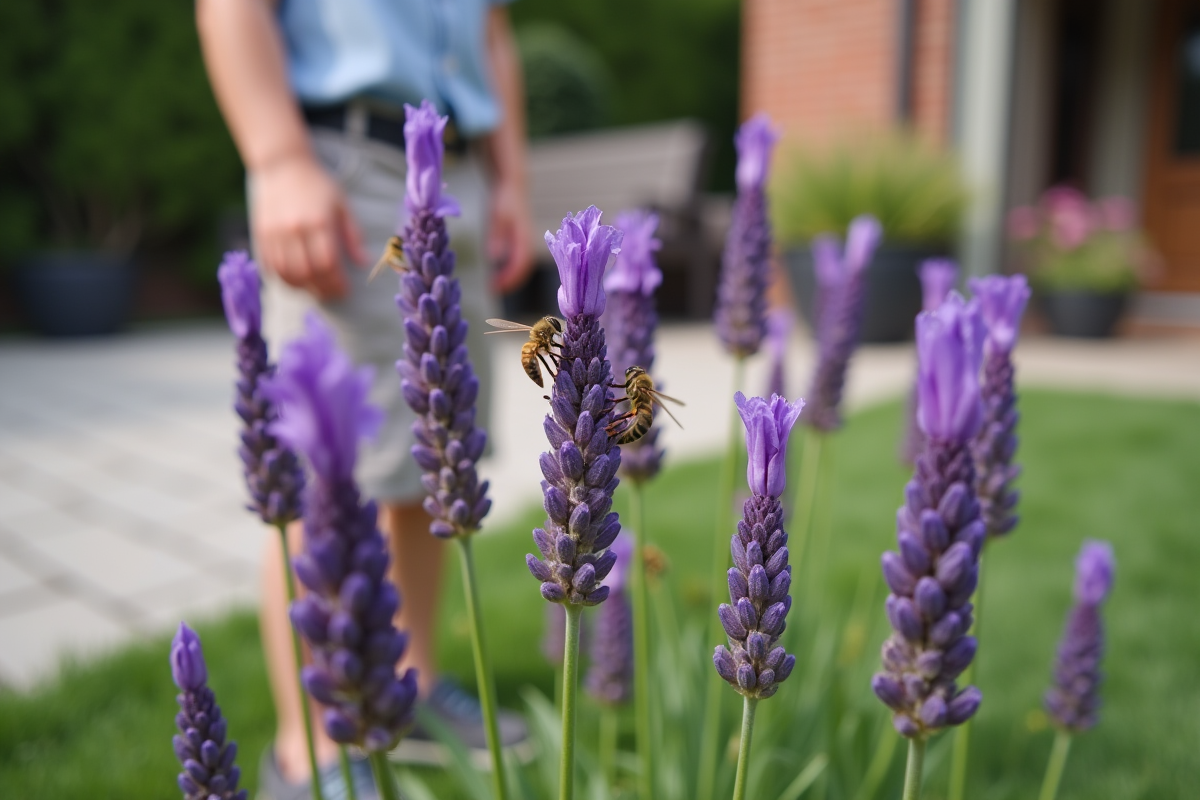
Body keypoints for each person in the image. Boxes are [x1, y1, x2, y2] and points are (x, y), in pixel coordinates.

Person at [195, 0, 535, 796]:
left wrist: (511, 177)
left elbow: (493, 34)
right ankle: (311, 742)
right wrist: (278, 159)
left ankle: (406, 684)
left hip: (461, 174)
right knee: (328, 468)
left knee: (435, 457)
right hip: (344, 170)